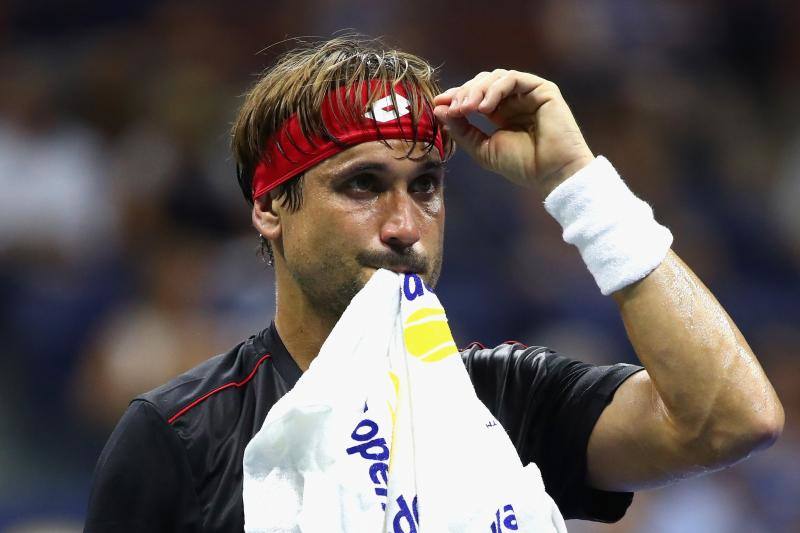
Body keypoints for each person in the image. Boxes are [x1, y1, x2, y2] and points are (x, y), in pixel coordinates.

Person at [84, 36, 784, 532]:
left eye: (426, 186)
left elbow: (732, 418)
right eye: (362, 185)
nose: (404, 225)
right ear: (270, 207)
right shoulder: (181, 436)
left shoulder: (506, 400)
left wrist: (577, 179)